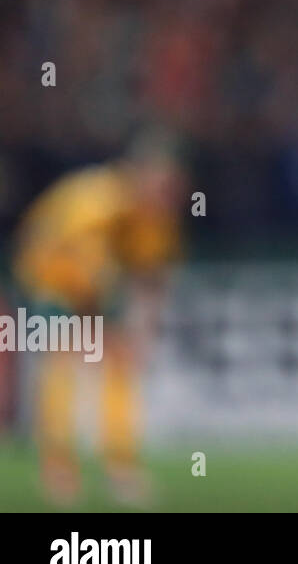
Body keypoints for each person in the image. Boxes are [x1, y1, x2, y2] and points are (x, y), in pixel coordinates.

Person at [11, 132, 184, 506]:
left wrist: (143, 331)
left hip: (98, 285)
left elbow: (151, 277)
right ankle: (59, 467)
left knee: (120, 365)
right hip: (50, 274)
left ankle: (119, 465)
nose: (166, 194)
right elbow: (61, 253)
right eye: (161, 182)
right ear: (138, 174)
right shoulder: (97, 199)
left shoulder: (154, 217)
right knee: (62, 363)